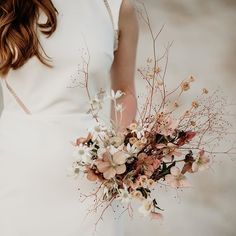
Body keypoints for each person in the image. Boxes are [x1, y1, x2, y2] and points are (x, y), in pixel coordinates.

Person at [0, 0, 139, 235]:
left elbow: (124, 90)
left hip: (92, 176)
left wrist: (121, 153)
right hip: (16, 168)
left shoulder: (117, 6)